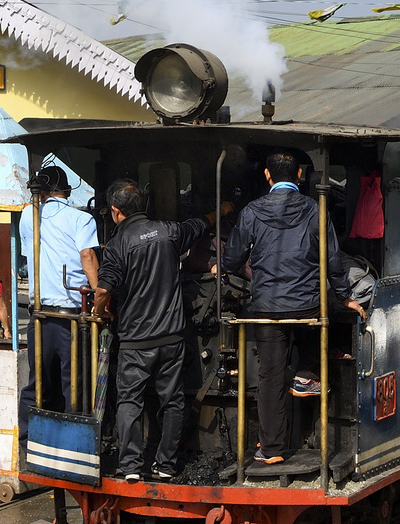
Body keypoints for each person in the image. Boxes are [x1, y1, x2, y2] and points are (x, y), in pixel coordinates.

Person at [219, 152, 366, 465]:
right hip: (306, 305)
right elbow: (333, 261)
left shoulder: (251, 212)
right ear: (300, 174)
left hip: (266, 307)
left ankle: (271, 450)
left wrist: (234, 267)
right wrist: (344, 297)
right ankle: (306, 374)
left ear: (268, 177)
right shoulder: (317, 210)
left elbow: (231, 260)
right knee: (323, 318)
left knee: (270, 378)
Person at [93, 179, 231, 481]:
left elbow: (103, 291)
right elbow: (197, 225)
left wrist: (97, 311)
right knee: (173, 400)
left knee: (130, 401)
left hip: (135, 340)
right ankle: (166, 465)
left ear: (116, 212)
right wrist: (220, 211)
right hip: (172, 336)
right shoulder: (169, 231)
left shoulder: (117, 245)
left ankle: (130, 467)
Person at [19, 166, 99, 422]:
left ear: (41, 192)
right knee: (73, 385)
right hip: (70, 317)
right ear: (66, 190)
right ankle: (72, 445)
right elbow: (87, 256)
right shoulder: (80, 218)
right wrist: (100, 298)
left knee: (38, 383)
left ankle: (29, 442)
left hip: (40, 314)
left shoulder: (27, 215)